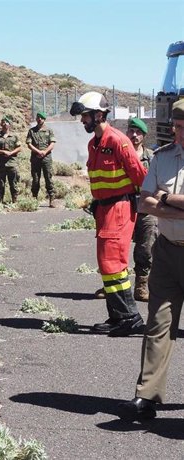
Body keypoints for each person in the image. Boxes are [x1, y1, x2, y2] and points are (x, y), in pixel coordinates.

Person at [116, 99, 184, 421]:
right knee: (157, 324)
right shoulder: (162, 157)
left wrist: (166, 198)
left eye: (183, 126)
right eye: (176, 125)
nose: (177, 131)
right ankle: (147, 395)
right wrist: (174, 207)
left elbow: (156, 199)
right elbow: (144, 203)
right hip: (168, 249)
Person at [70, 91, 147, 337]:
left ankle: (130, 317)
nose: (83, 121)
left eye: (85, 116)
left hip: (119, 208)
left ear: (99, 115)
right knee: (107, 265)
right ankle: (117, 316)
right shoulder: (94, 144)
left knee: (113, 264)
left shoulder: (118, 141)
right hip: (104, 209)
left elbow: (140, 177)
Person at [127, 117, 157, 302]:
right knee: (117, 249)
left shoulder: (152, 157)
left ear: (144, 136)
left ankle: (141, 286)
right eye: (131, 131)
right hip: (124, 207)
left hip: (145, 210)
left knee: (145, 249)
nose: (134, 135)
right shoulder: (119, 155)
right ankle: (113, 288)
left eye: (138, 133)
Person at [26, 111, 56, 207]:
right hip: (35, 158)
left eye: (41, 118)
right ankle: (34, 199)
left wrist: (44, 152)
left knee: (48, 178)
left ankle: (51, 198)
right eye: (38, 117)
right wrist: (38, 152)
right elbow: (29, 144)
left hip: (46, 158)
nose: (39, 119)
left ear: (44, 119)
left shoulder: (49, 130)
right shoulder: (32, 131)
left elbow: (52, 143)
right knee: (35, 179)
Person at [0, 116, 21, 203]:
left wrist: (11, 153)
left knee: (14, 184)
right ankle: (0, 202)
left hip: (12, 163)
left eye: (6, 122)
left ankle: (14, 201)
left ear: (9, 124)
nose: (4, 124)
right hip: (0, 164)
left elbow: (19, 148)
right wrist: (3, 152)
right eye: (3, 122)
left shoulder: (14, 136)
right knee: (0, 184)